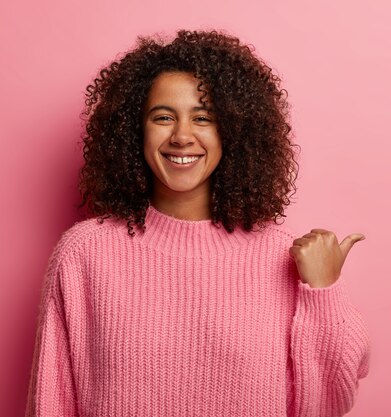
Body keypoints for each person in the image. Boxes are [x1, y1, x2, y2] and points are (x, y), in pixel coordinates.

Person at [25, 29, 370, 417]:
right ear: (134, 131)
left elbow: (327, 406)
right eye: (163, 117)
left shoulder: (282, 255)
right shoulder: (85, 254)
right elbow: (52, 403)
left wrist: (322, 292)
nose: (182, 136)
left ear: (233, 131)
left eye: (203, 117)